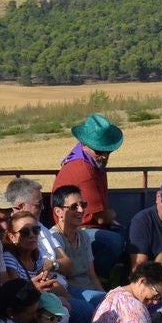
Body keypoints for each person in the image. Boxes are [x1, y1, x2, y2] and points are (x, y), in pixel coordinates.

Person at [54, 113, 127, 278]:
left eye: (108, 150)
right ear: (85, 145)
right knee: (115, 241)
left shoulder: (88, 161)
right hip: (75, 229)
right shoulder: (84, 170)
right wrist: (112, 214)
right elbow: (100, 218)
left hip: (81, 225)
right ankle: (96, 278)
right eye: (100, 150)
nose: (104, 156)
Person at [49, 183, 107, 323]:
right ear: (58, 211)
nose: (81, 210)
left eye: (83, 205)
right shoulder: (54, 238)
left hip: (89, 290)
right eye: (74, 206)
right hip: (71, 291)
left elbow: (91, 274)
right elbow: (60, 279)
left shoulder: (83, 236)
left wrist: (108, 297)